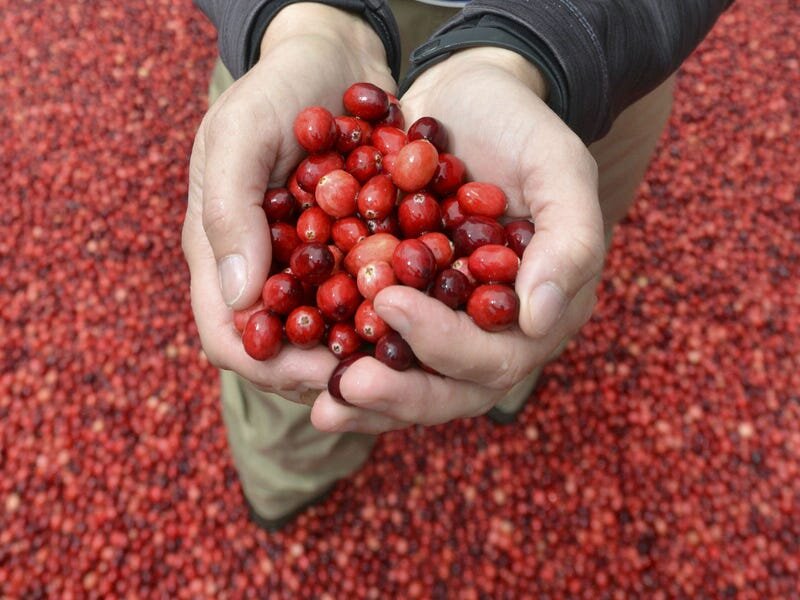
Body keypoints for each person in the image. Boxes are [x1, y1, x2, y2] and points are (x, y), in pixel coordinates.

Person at [183, 0, 733, 530]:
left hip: (598, 44)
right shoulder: (348, 210)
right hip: (304, 38)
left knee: (544, 277)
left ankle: (509, 382)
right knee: (298, 380)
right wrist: (296, 17)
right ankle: (285, 483)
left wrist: (553, 35)